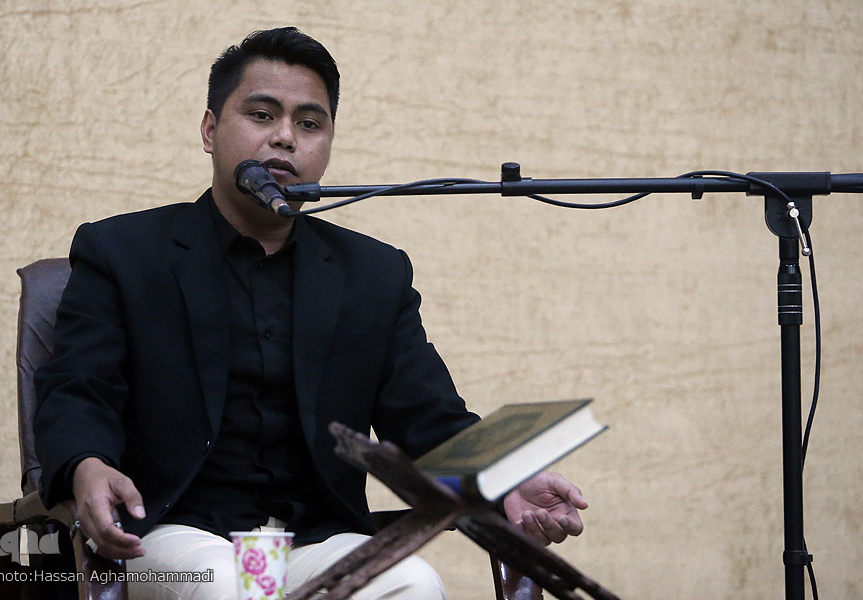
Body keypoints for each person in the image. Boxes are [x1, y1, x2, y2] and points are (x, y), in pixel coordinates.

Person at [33, 27, 587, 600]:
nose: (284, 137)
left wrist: (505, 482)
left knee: (414, 585)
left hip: (317, 539)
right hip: (174, 531)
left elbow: (429, 419)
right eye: (261, 115)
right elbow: (78, 387)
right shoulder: (124, 253)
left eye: (309, 124)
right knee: (226, 587)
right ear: (209, 130)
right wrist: (86, 464)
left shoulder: (372, 274)